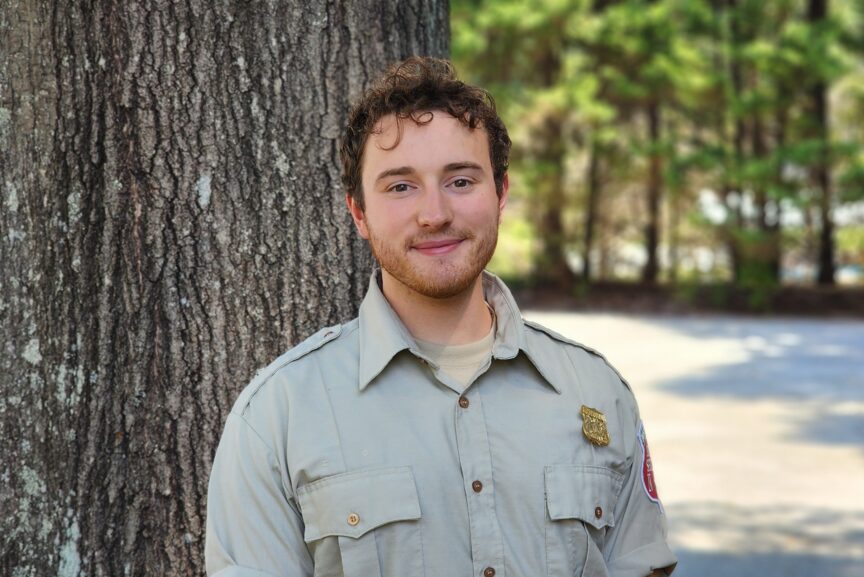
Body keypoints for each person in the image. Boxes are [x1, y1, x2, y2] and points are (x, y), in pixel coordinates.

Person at [205, 56, 677, 577]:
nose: (434, 213)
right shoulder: (278, 415)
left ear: (501, 194)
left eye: (460, 181)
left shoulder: (597, 392)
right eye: (400, 186)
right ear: (358, 212)